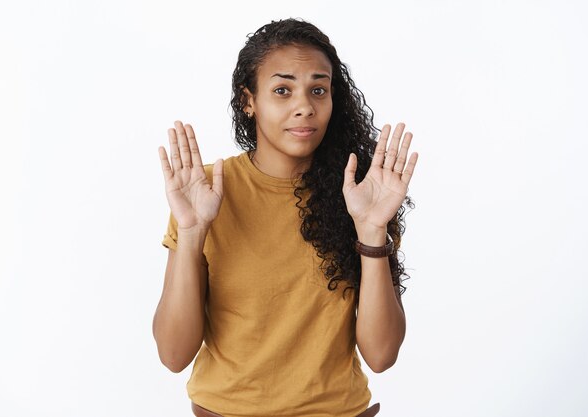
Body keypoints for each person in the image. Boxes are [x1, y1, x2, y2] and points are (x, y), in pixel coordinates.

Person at [153, 18, 418, 417]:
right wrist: (191, 233)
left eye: (318, 89)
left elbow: (381, 356)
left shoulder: (359, 195)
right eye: (282, 90)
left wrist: (372, 230)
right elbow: (173, 355)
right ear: (249, 100)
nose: (304, 107)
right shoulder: (205, 191)